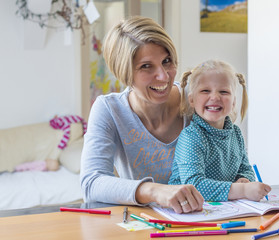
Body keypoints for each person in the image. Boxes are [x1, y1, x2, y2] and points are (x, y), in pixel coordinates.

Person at [80, 16, 204, 214]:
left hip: (205, 222)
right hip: (143, 225)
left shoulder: (198, 100)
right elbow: (91, 183)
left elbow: (232, 157)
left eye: (167, 61)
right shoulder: (109, 110)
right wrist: (155, 191)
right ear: (124, 72)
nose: (164, 76)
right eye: (146, 66)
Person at [168, 60, 271, 202]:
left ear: (234, 102)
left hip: (223, 208)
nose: (215, 97)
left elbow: (245, 168)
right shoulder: (191, 136)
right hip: (186, 209)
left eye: (224, 92)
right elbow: (194, 186)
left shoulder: (235, 134)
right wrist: (242, 190)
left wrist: (244, 179)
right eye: (205, 91)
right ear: (191, 100)